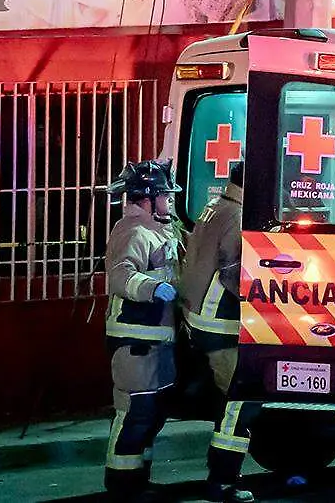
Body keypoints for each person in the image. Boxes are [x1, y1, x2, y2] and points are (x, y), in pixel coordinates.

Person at [103, 159, 184, 502]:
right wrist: (150, 288)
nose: (169, 201)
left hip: (156, 339)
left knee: (151, 414)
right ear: (147, 197)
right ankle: (122, 486)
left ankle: (139, 479)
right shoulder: (133, 231)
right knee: (135, 414)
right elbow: (121, 274)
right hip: (134, 338)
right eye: (164, 195)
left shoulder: (158, 227)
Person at [181, 161, 257, 502]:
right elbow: (232, 269)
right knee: (240, 401)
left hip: (197, 317)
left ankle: (222, 477)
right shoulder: (237, 217)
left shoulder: (215, 207)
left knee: (231, 400)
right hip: (219, 321)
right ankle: (223, 481)